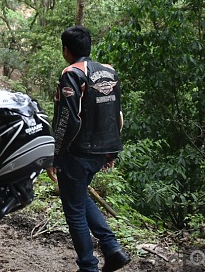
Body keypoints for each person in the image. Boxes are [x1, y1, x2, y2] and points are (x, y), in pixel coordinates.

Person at [46, 26, 130, 272]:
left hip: (78, 153)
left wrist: (55, 157)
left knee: (74, 211)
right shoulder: (108, 72)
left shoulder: (72, 73)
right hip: (102, 152)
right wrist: (111, 151)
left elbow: (67, 120)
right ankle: (111, 247)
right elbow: (117, 114)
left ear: (66, 50)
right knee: (79, 197)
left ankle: (88, 266)